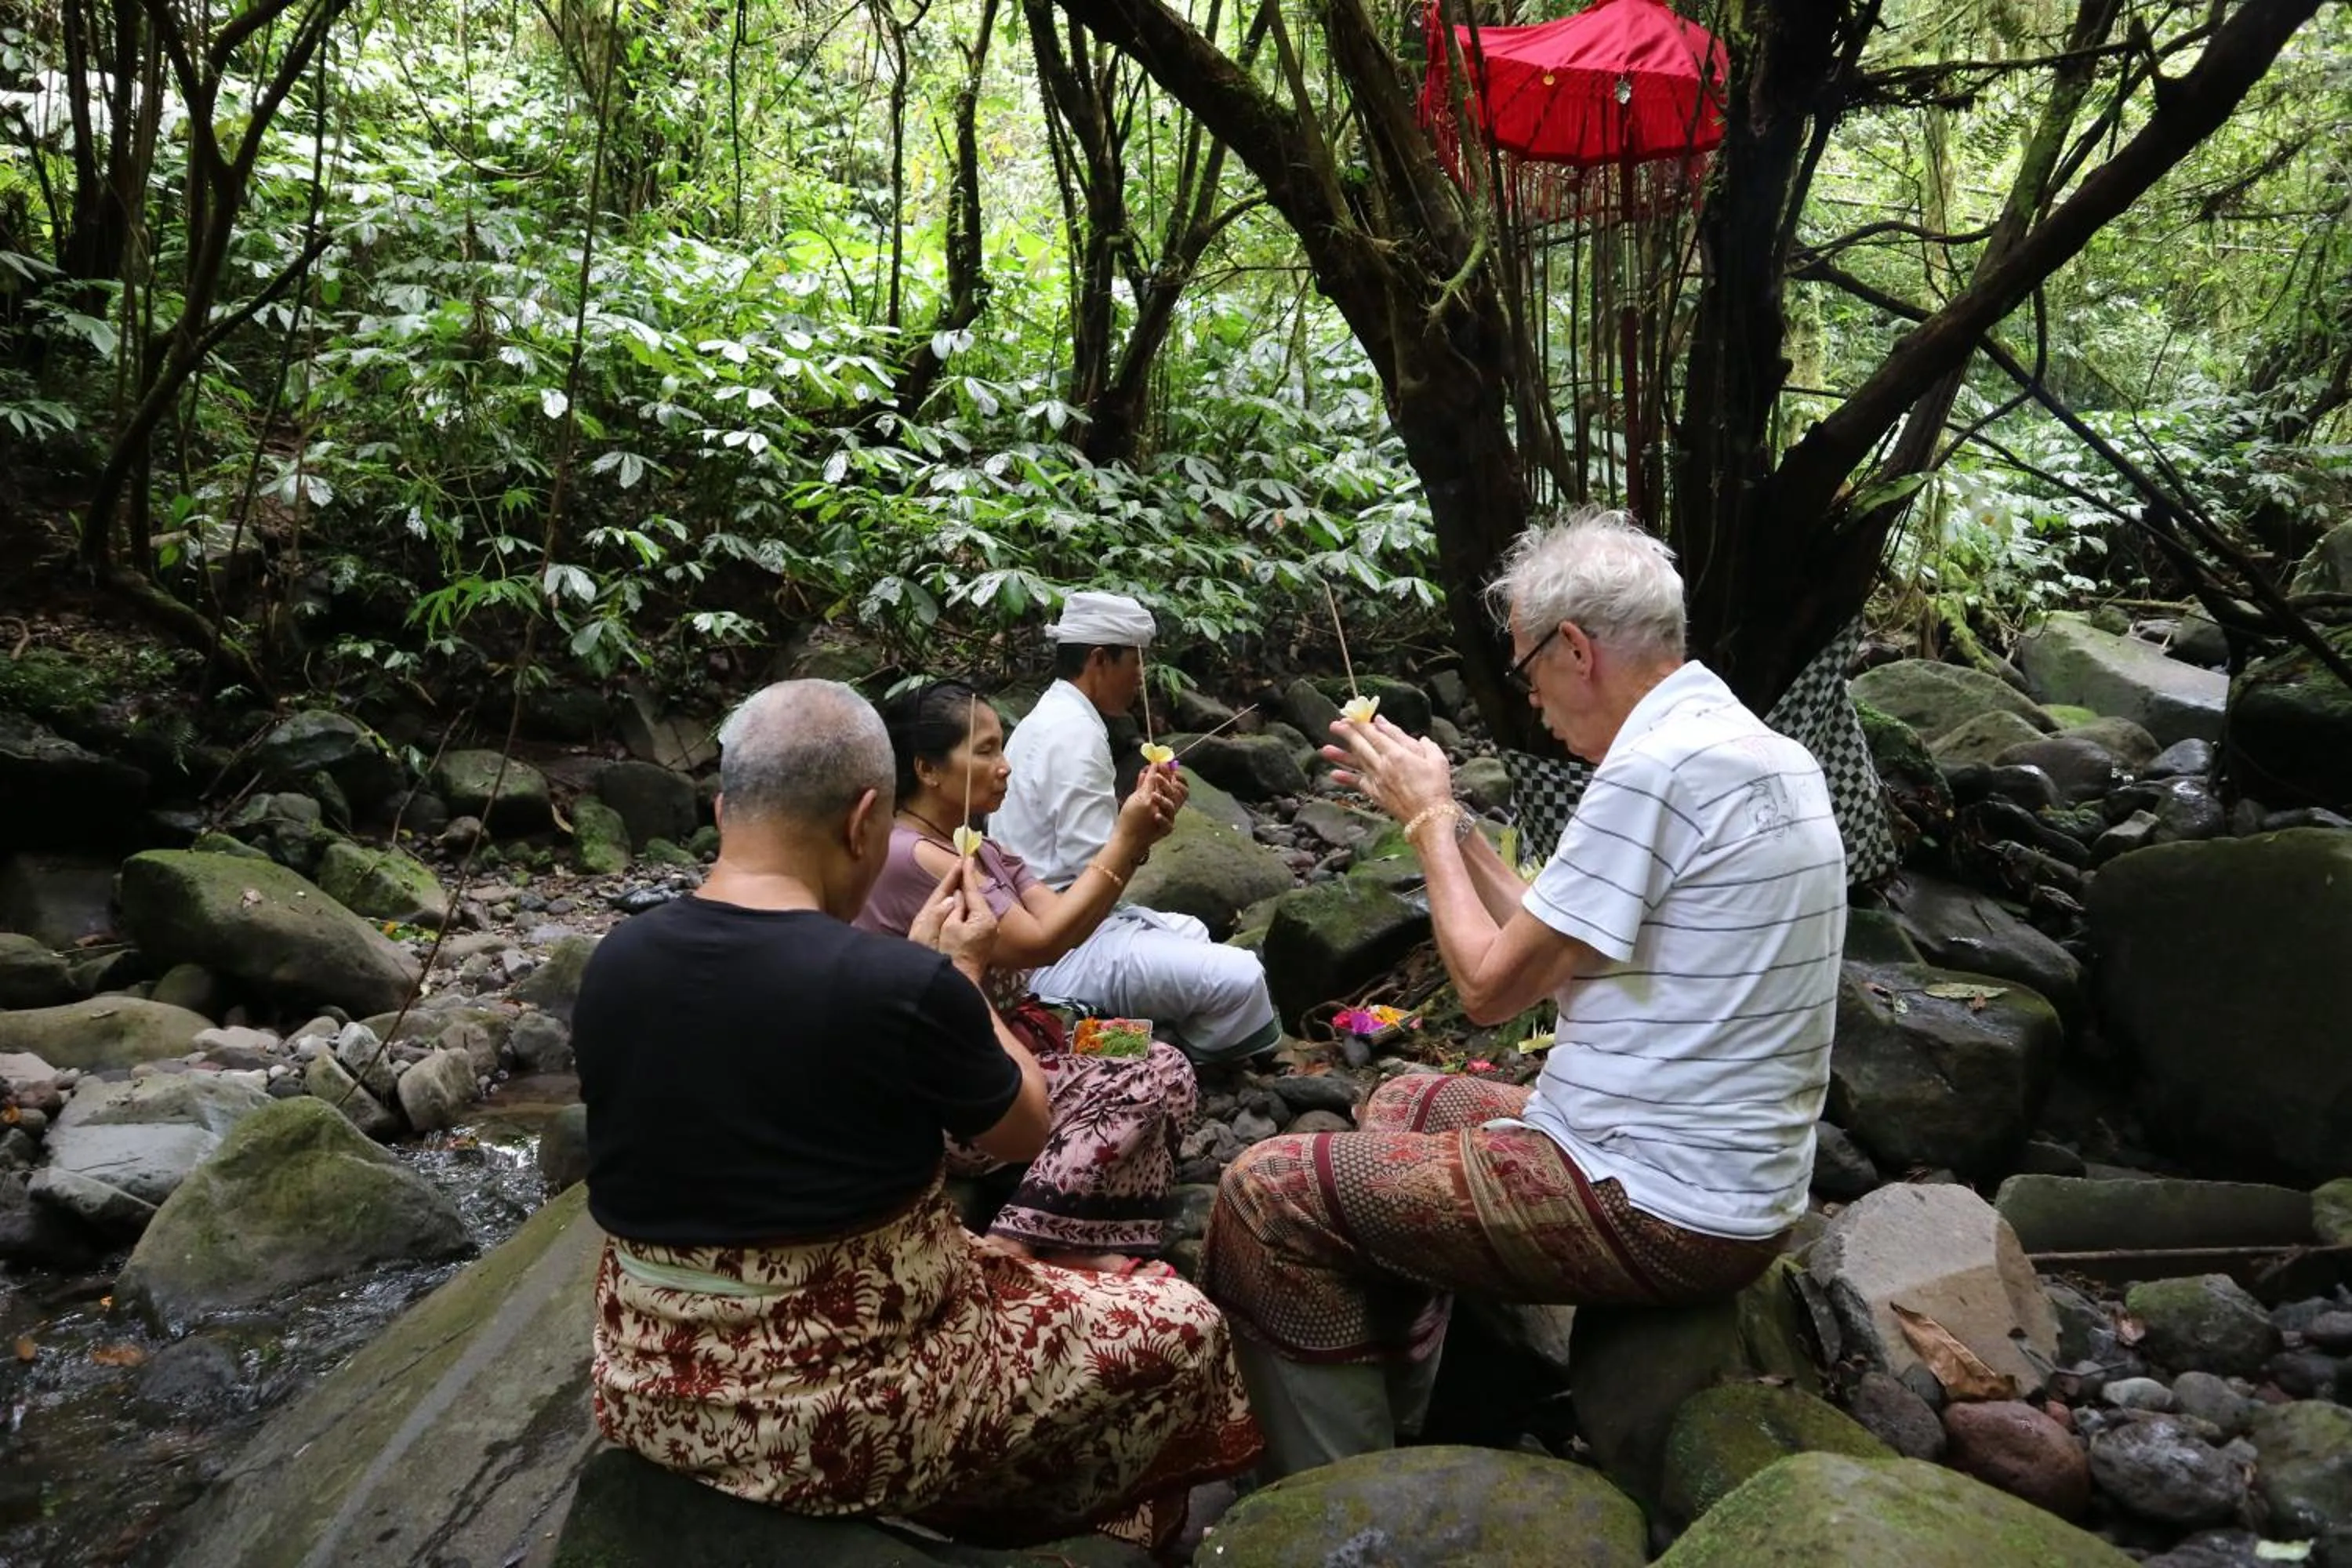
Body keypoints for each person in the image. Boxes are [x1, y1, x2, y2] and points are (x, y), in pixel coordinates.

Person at [1200, 510, 1849, 1478]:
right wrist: (1449, 818)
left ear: (1576, 647)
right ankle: (1433, 1406)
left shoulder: (1657, 769)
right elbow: (1548, 937)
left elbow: (1492, 988)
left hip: (1656, 1202)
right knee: (1402, 1100)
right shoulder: (1748, 744)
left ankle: (1341, 1492)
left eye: (1527, 667)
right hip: (1721, 1181)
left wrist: (1425, 820)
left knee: (1266, 1194)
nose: (1531, 698)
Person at [572, 679, 1260, 1548]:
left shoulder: (615, 961)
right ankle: (1062, 1510)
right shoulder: (907, 932)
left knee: (1132, 1075)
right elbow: (1025, 1123)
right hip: (832, 1418)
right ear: (871, 815)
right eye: (983, 749)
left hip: (646, 1389)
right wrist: (963, 979)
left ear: (722, 807)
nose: (1002, 764)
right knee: (1183, 1323)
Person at [857, 678, 1197, 1272]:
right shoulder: (914, 856)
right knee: (1142, 1081)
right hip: (956, 1083)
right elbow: (1041, 943)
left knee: (1154, 1053)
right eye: (985, 750)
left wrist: (1136, 841)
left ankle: (1073, 1238)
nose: (1005, 766)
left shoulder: (980, 849)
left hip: (1026, 1038)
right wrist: (1125, 838)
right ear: (927, 769)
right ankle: (1016, 1241)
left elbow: (1064, 920)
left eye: (1002, 747)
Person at [989, 590, 1282, 1064]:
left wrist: (1146, 827)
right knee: (1244, 975)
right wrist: (1141, 834)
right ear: (1100, 660)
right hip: (1061, 946)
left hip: (1054, 924)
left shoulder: (1050, 718)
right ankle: (1168, 1054)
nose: (1141, 678)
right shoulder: (1075, 734)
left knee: (1191, 930)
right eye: (1136, 662)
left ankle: (1137, 1035)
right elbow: (1097, 875)